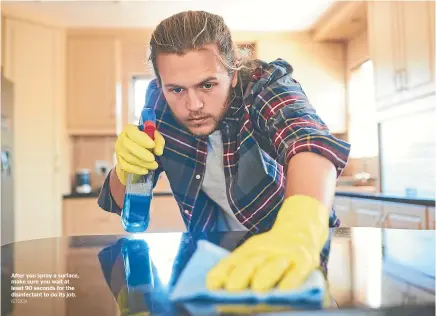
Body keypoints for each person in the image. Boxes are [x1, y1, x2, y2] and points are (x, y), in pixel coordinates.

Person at [98, 10, 351, 294]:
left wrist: (299, 229)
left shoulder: (264, 84)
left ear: (232, 73)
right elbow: (118, 201)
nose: (193, 104)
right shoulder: (158, 102)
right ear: (160, 82)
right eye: (177, 89)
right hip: (208, 259)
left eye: (207, 85)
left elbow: (307, 140)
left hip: (288, 252)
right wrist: (125, 168)